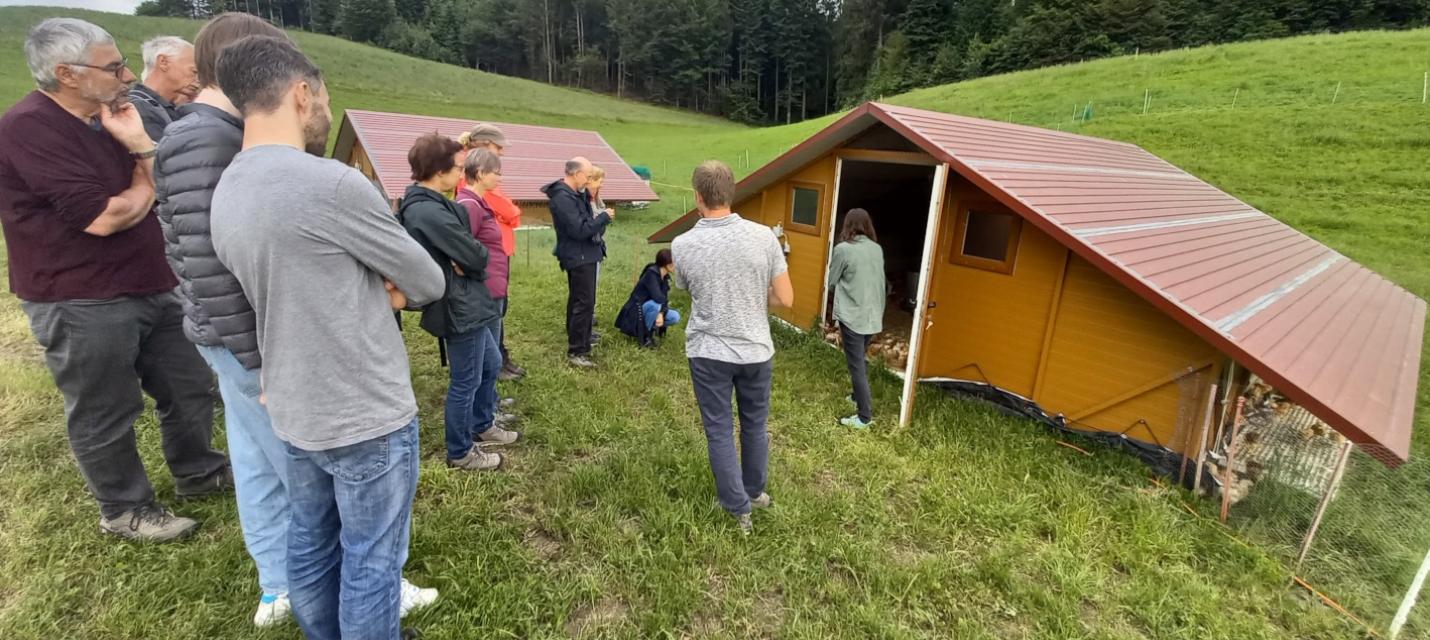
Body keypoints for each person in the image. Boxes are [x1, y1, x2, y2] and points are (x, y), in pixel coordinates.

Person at [153, 13, 437, 626]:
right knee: (372, 556)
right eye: (325, 100)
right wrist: (381, 289)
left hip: (291, 401)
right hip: (362, 403)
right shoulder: (331, 183)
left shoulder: (227, 185)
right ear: (300, 93)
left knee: (309, 539)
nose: (327, 114)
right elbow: (426, 279)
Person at [0, 17, 229, 542]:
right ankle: (125, 509)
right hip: (79, 295)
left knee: (190, 385)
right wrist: (146, 165)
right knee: (106, 406)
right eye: (113, 66)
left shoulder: (114, 119)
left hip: (152, 279)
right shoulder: (28, 128)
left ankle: (201, 471)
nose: (128, 74)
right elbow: (105, 217)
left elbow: (150, 197)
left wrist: (140, 162)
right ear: (67, 74)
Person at [671, 160, 793, 535]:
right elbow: (785, 299)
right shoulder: (763, 237)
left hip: (708, 353)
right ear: (731, 191)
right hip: (757, 349)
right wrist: (755, 293)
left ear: (697, 197)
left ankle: (737, 507)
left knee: (720, 429)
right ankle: (754, 492)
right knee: (755, 425)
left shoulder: (682, 244)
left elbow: (685, 288)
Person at [400, 135, 517, 472]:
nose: (460, 172)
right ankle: (460, 451)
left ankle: (482, 424)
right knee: (465, 379)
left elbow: (470, 251)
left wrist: (468, 256)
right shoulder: (426, 211)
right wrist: (469, 256)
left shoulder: (436, 204)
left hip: (470, 301)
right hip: (457, 305)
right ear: (439, 171)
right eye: (456, 166)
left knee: (491, 363)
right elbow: (477, 254)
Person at [457, 124, 526, 380]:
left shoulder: (484, 175)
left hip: (497, 255)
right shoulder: (473, 176)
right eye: (498, 148)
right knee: (492, 312)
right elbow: (508, 209)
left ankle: (499, 359)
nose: (502, 153)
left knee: (499, 310)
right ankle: (493, 365)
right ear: (484, 144)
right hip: (488, 260)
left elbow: (507, 207)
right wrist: (509, 213)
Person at [544, 156, 612, 368]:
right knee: (584, 302)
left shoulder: (576, 194)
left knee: (580, 300)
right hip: (578, 255)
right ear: (575, 174)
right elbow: (580, 229)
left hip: (587, 253)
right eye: (588, 175)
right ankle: (578, 351)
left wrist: (598, 220)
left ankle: (581, 335)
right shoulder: (563, 198)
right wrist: (604, 218)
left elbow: (588, 223)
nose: (589, 179)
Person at [826, 209, 885, 429]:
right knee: (859, 358)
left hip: (853, 317)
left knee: (856, 365)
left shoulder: (843, 250)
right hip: (874, 316)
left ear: (847, 225)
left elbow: (832, 281)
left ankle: (864, 417)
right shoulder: (876, 249)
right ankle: (856, 395)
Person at [129, 35, 197, 142]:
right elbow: (166, 155)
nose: (198, 80)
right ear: (163, 62)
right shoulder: (138, 108)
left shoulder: (159, 106)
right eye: (194, 72)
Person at [615, 248, 680, 348]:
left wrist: (662, 313)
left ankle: (652, 329)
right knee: (655, 305)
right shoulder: (651, 274)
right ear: (665, 263)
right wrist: (659, 313)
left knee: (675, 316)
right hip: (637, 310)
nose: (675, 265)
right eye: (673, 262)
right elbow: (658, 297)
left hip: (651, 308)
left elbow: (664, 299)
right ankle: (646, 336)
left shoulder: (665, 277)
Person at [584, 165, 612, 342]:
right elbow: (590, 225)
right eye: (599, 181)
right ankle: (583, 329)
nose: (601, 185)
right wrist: (604, 217)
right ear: (590, 181)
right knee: (586, 291)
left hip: (596, 249)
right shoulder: (584, 202)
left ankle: (588, 322)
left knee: (592, 288)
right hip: (587, 251)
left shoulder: (596, 200)